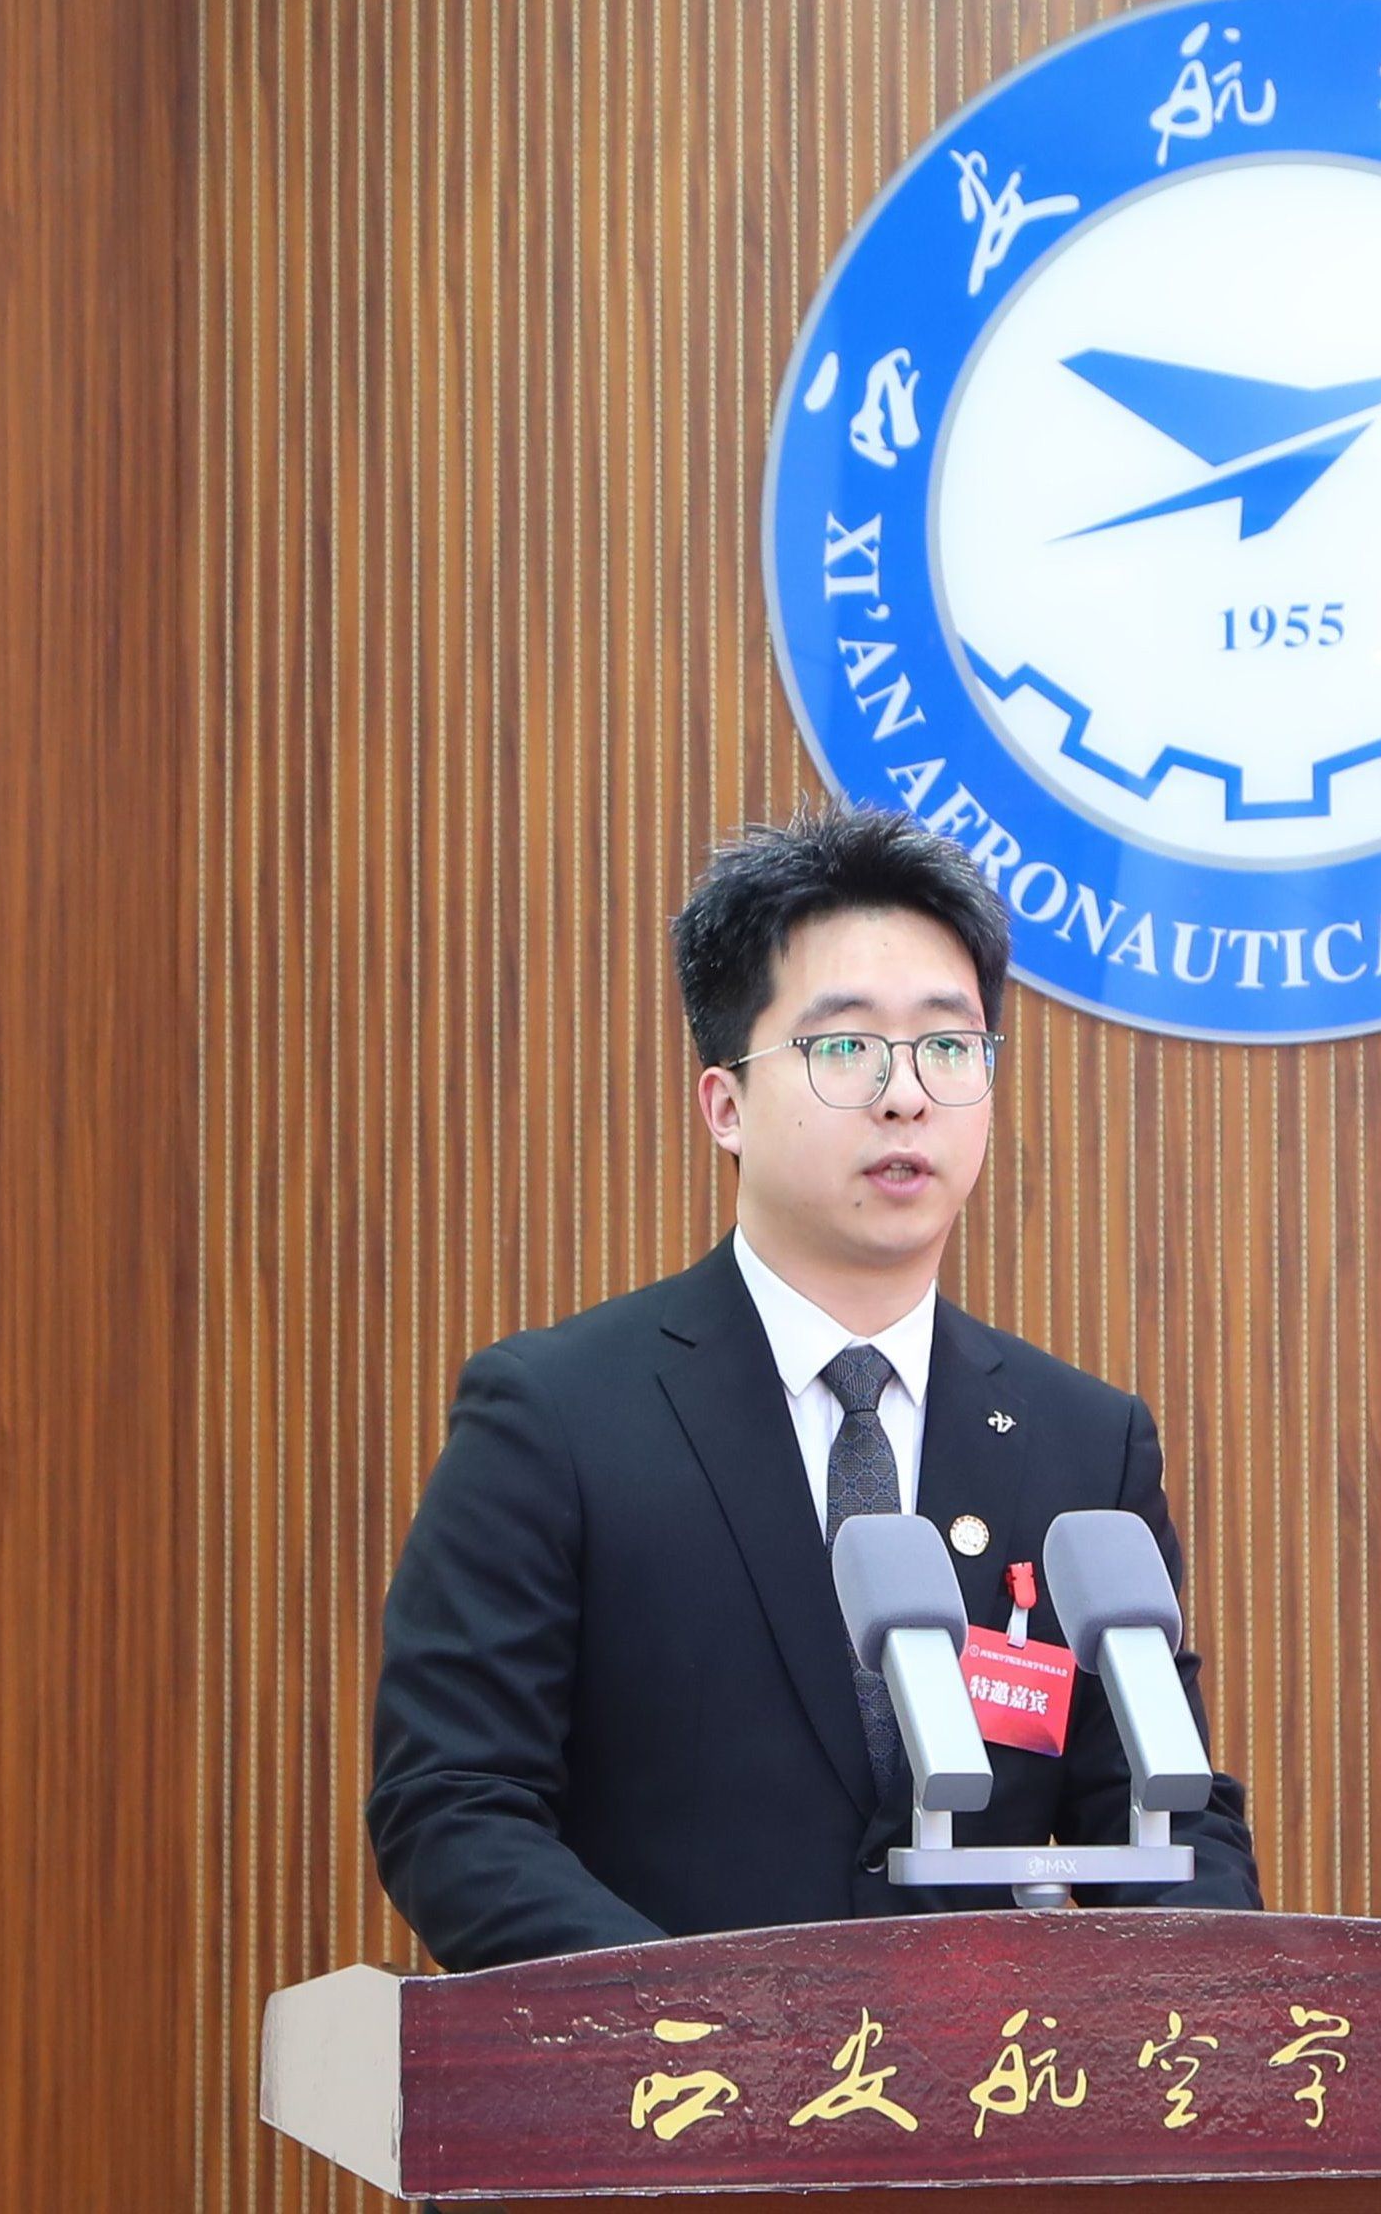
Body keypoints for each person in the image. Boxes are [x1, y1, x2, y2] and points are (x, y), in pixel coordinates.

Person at [369, 803, 1260, 1971]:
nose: (906, 1096)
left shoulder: (1082, 1443)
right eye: (845, 1049)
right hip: (671, 2071)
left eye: (949, 1047)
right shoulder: (559, 1417)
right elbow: (455, 1806)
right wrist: (694, 2030)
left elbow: (1162, 1814)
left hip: (990, 2078)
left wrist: (1208, 2009)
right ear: (725, 1104)